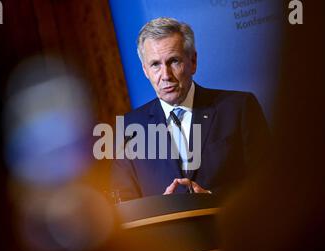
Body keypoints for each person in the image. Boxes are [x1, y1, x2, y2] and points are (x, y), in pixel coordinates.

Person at [111, 17, 270, 201]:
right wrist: (160, 210)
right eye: (155, 64)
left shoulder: (239, 108)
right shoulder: (128, 128)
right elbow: (124, 206)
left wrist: (211, 198)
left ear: (193, 61)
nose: (165, 75)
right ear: (145, 70)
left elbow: (268, 182)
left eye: (174, 61)